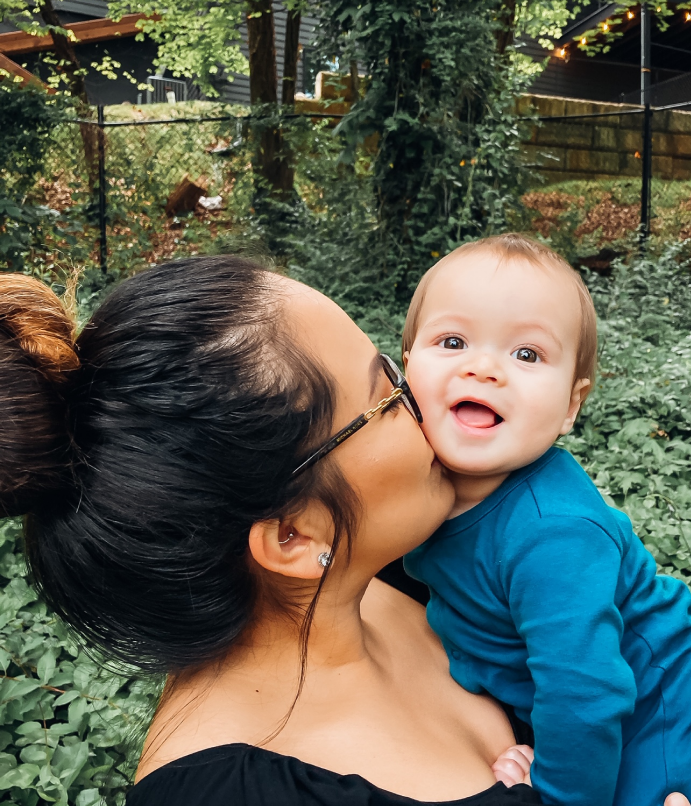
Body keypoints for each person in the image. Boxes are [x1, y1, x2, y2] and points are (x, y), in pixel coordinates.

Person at [0, 262, 688, 806]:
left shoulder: (405, 566)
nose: (422, 397)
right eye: (387, 395)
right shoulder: (235, 792)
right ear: (294, 537)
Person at [402, 234, 691, 806]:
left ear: (570, 406)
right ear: (406, 366)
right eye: (453, 340)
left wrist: (557, 793)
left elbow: (587, 695)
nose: (483, 368)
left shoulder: (553, 532)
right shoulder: (408, 478)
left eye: (527, 354)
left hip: (657, 705)